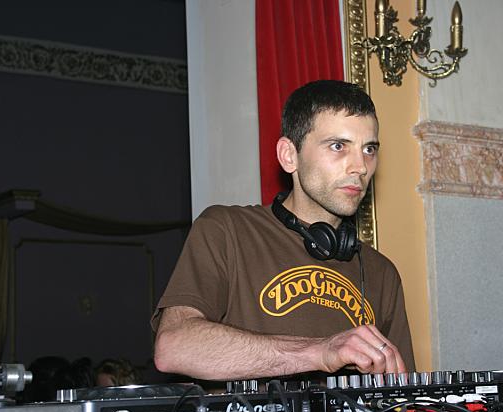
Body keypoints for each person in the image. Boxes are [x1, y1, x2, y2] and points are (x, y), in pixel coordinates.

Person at [152, 80, 415, 381]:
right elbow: (173, 346)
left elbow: (403, 396)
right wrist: (320, 352)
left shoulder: (381, 272)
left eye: (369, 149)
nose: (360, 167)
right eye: (338, 146)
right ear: (289, 155)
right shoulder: (226, 231)